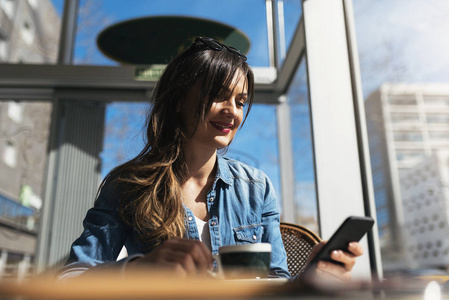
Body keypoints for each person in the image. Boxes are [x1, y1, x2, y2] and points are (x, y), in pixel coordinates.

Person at [58, 36, 363, 281]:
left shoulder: (256, 188)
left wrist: (313, 279)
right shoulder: (130, 184)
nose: (232, 110)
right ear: (179, 100)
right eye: (219, 96)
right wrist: (139, 269)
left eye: (240, 101)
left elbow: (274, 281)